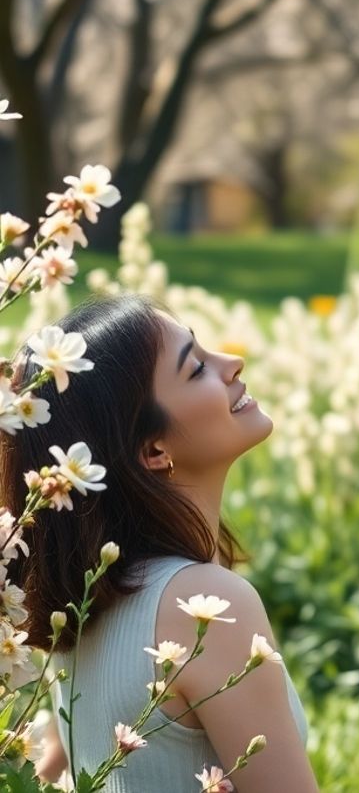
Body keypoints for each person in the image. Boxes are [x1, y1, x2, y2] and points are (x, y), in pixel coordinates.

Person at [0, 293, 319, 792]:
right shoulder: (205, 605)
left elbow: (56, 760)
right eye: (197, 368)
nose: (232, 363)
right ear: (152, 449)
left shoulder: (83, 607)